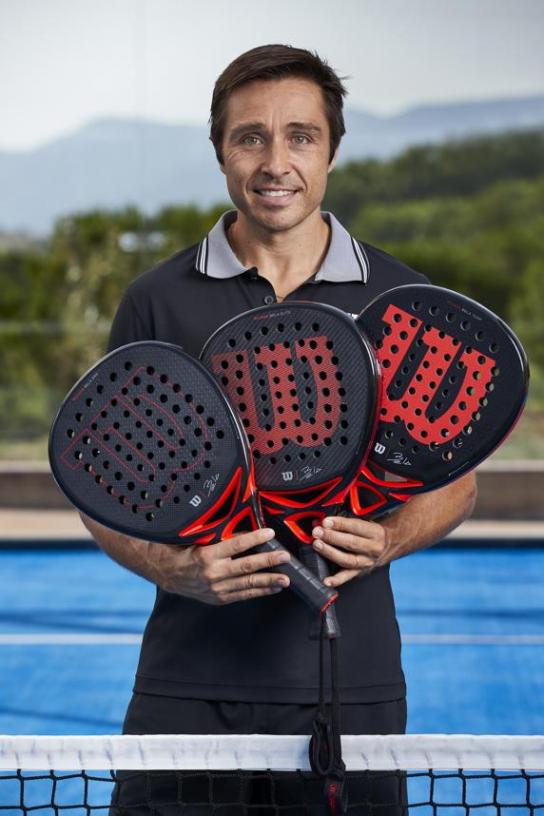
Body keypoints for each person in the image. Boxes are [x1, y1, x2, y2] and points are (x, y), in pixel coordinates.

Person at [82, 44, 477, 814]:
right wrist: (175, 569)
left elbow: (454, 485)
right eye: (250, 138)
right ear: (219, 150)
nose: (275, 163)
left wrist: (390, 539)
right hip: (186, 686)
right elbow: (105, 491)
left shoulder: (402, 296)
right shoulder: (156, 300)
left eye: (300, 137)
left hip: (351, 688)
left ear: (331, 151)